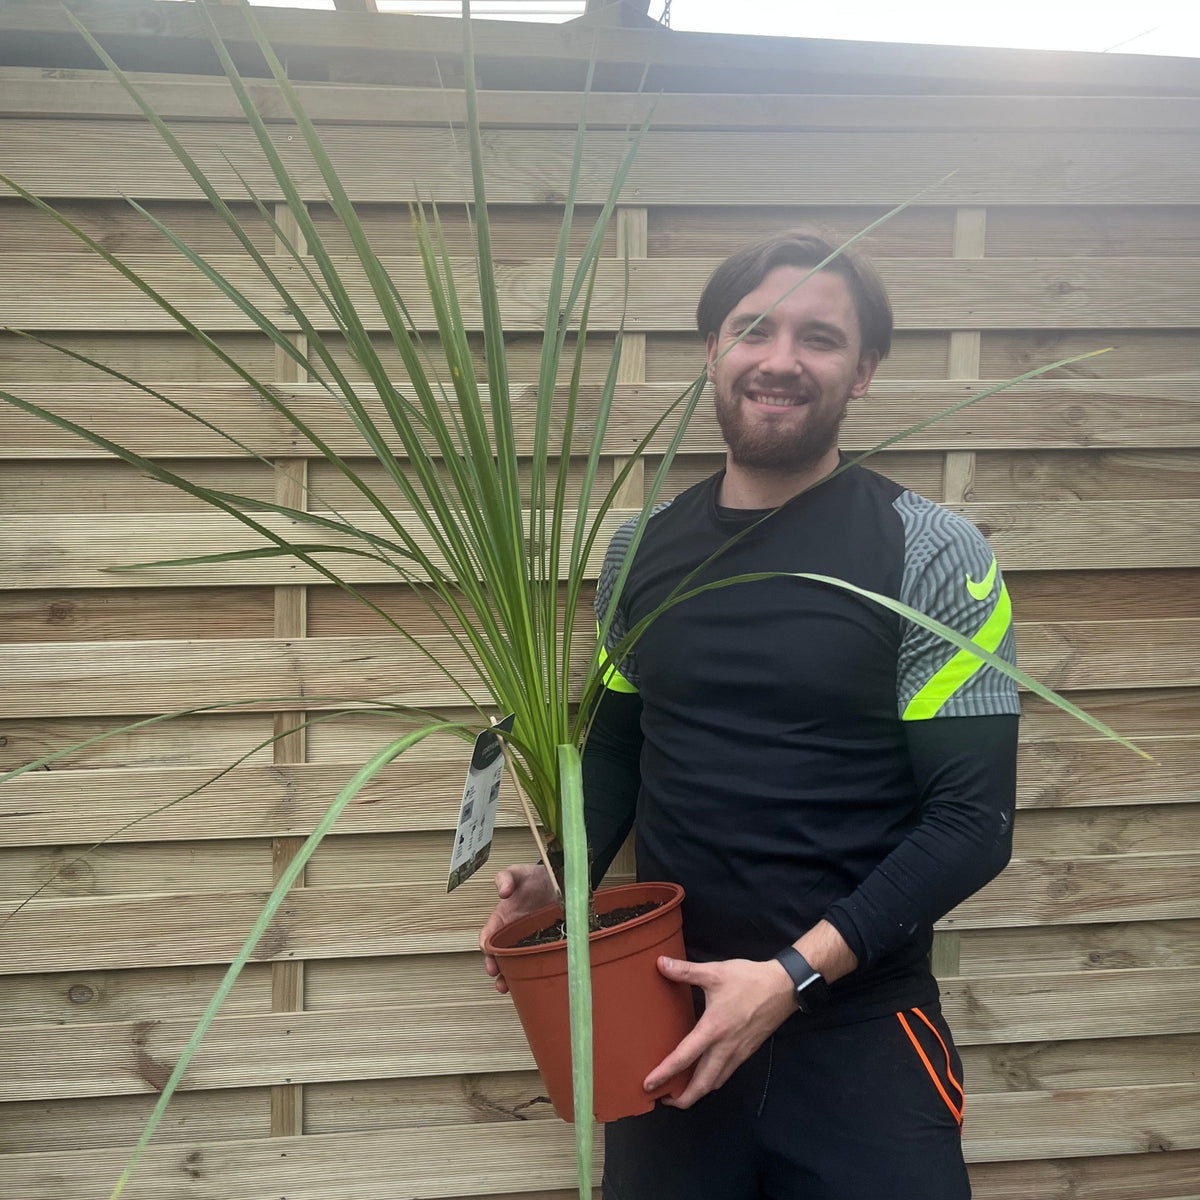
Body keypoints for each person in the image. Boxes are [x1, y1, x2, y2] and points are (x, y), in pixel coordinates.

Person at [480, 231, 1019, 1200]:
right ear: (712, 352)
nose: (780, 359)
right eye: (753, 329)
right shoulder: (640, 551)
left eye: (819, 336)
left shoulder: (933, 555)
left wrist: (788, 978)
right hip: (668, 1029)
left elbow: (973, 827)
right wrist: (559, 881)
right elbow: (617, 752)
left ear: (863, 371)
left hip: (860, 1039)